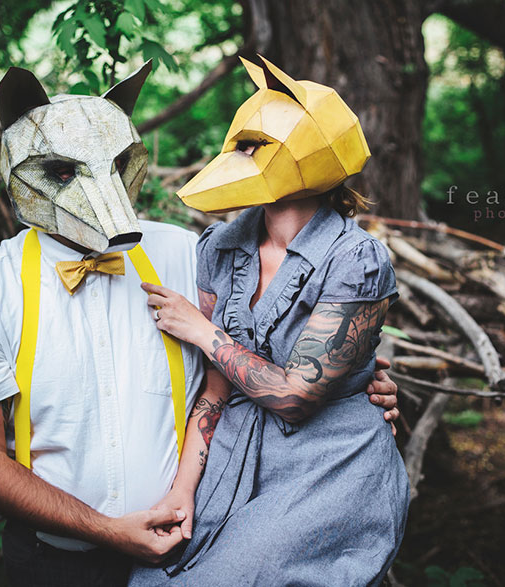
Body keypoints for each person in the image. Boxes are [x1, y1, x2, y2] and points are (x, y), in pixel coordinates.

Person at [0, 60, 401, 587]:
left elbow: (262, 363)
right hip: (56, 560)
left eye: (116, 166)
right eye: (64, 171)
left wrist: (360, 381)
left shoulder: (185, 253)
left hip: (200, 529)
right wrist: (109, 529)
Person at [128, 56, 410, 586]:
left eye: (254, 145)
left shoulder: (357, 259)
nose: (240, 157)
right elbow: (215, 389)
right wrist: (183, 490)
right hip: (231, 456)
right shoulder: (219, 245)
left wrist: (203, 332)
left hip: (329, 466)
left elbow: (297, 398)